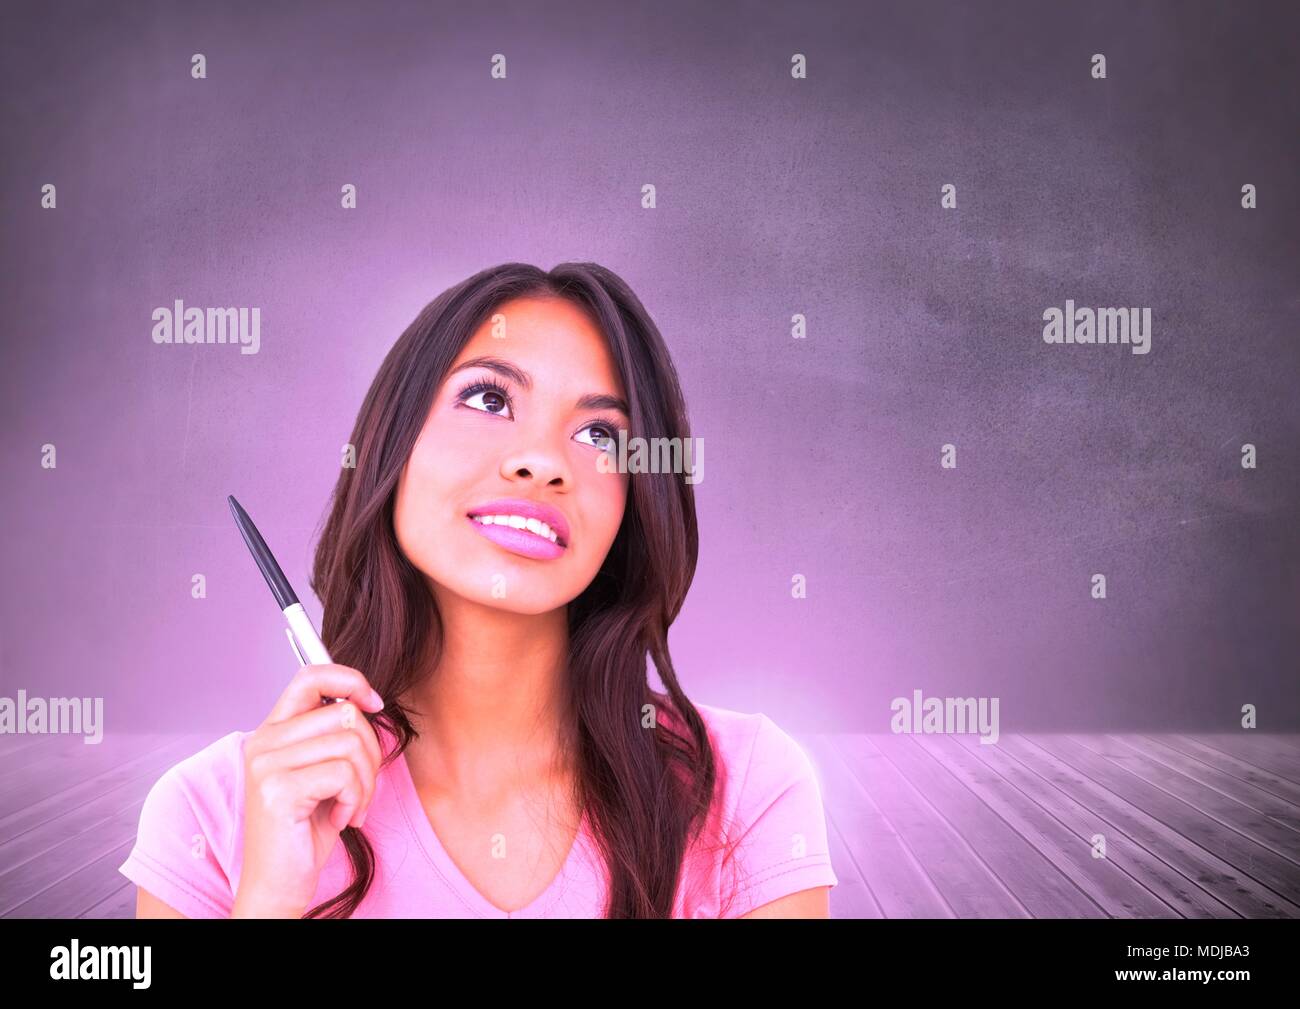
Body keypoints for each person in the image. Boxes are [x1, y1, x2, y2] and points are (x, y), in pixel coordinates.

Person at [119, 262, 838, 918]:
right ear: (390, 445)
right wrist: (271, 896)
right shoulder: (211, 816)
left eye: (601, 435)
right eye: (491, 397)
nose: (540, 461)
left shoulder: (743, 794)